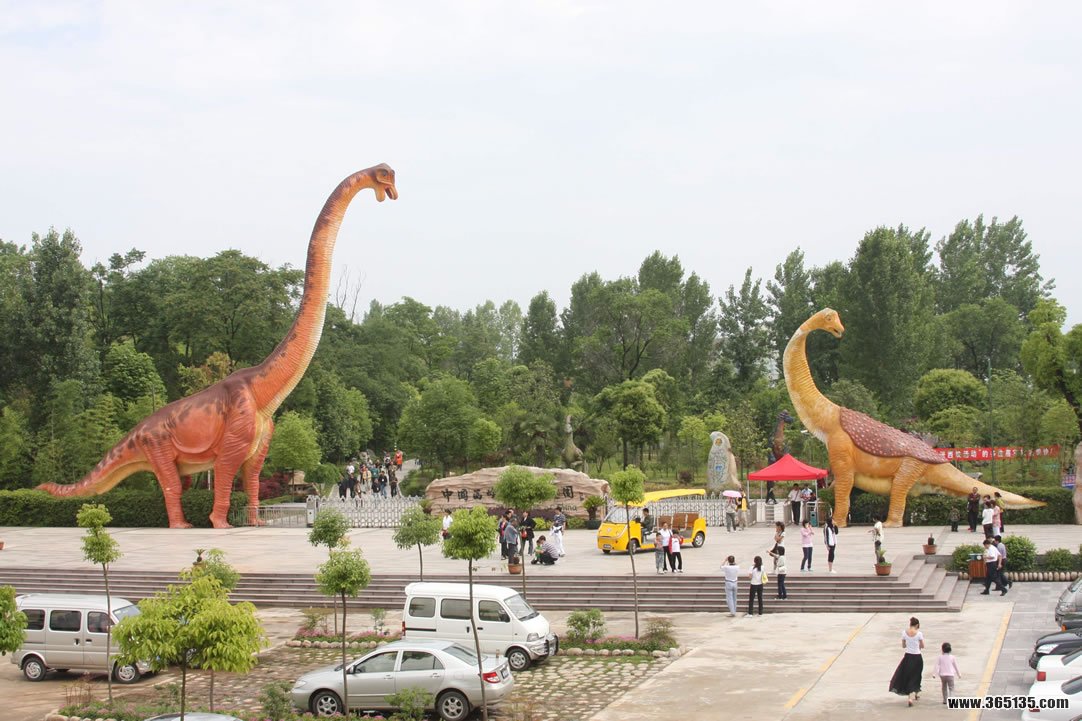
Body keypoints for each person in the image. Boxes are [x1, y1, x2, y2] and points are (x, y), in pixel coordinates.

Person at [889, 617, 925, 706]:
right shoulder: (919, 634)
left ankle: (912, 697)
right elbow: (922, 646)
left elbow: (903, 646)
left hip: (908, 657)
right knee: (917, 676)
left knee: (909, 676)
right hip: (917, 657)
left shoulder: (904, 633)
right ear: (917, 625)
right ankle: (914, 695)